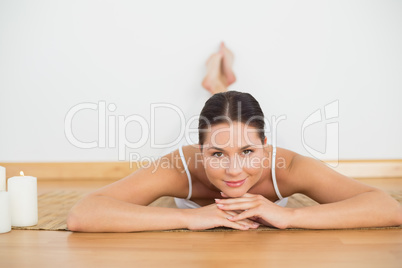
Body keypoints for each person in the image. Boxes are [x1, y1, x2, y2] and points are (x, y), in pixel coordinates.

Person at [67, 43, 402, 232]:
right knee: (222, 122)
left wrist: (290, 216)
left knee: (228, 122)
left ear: (266, 150)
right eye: (216, 155)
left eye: (247, 151)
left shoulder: (289, 167)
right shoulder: (179, 166)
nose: (234, 170)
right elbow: (83, 214)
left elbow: (386, 206)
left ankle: (217, 84)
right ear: (199, 154)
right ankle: (216, 86)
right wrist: (188, 217)